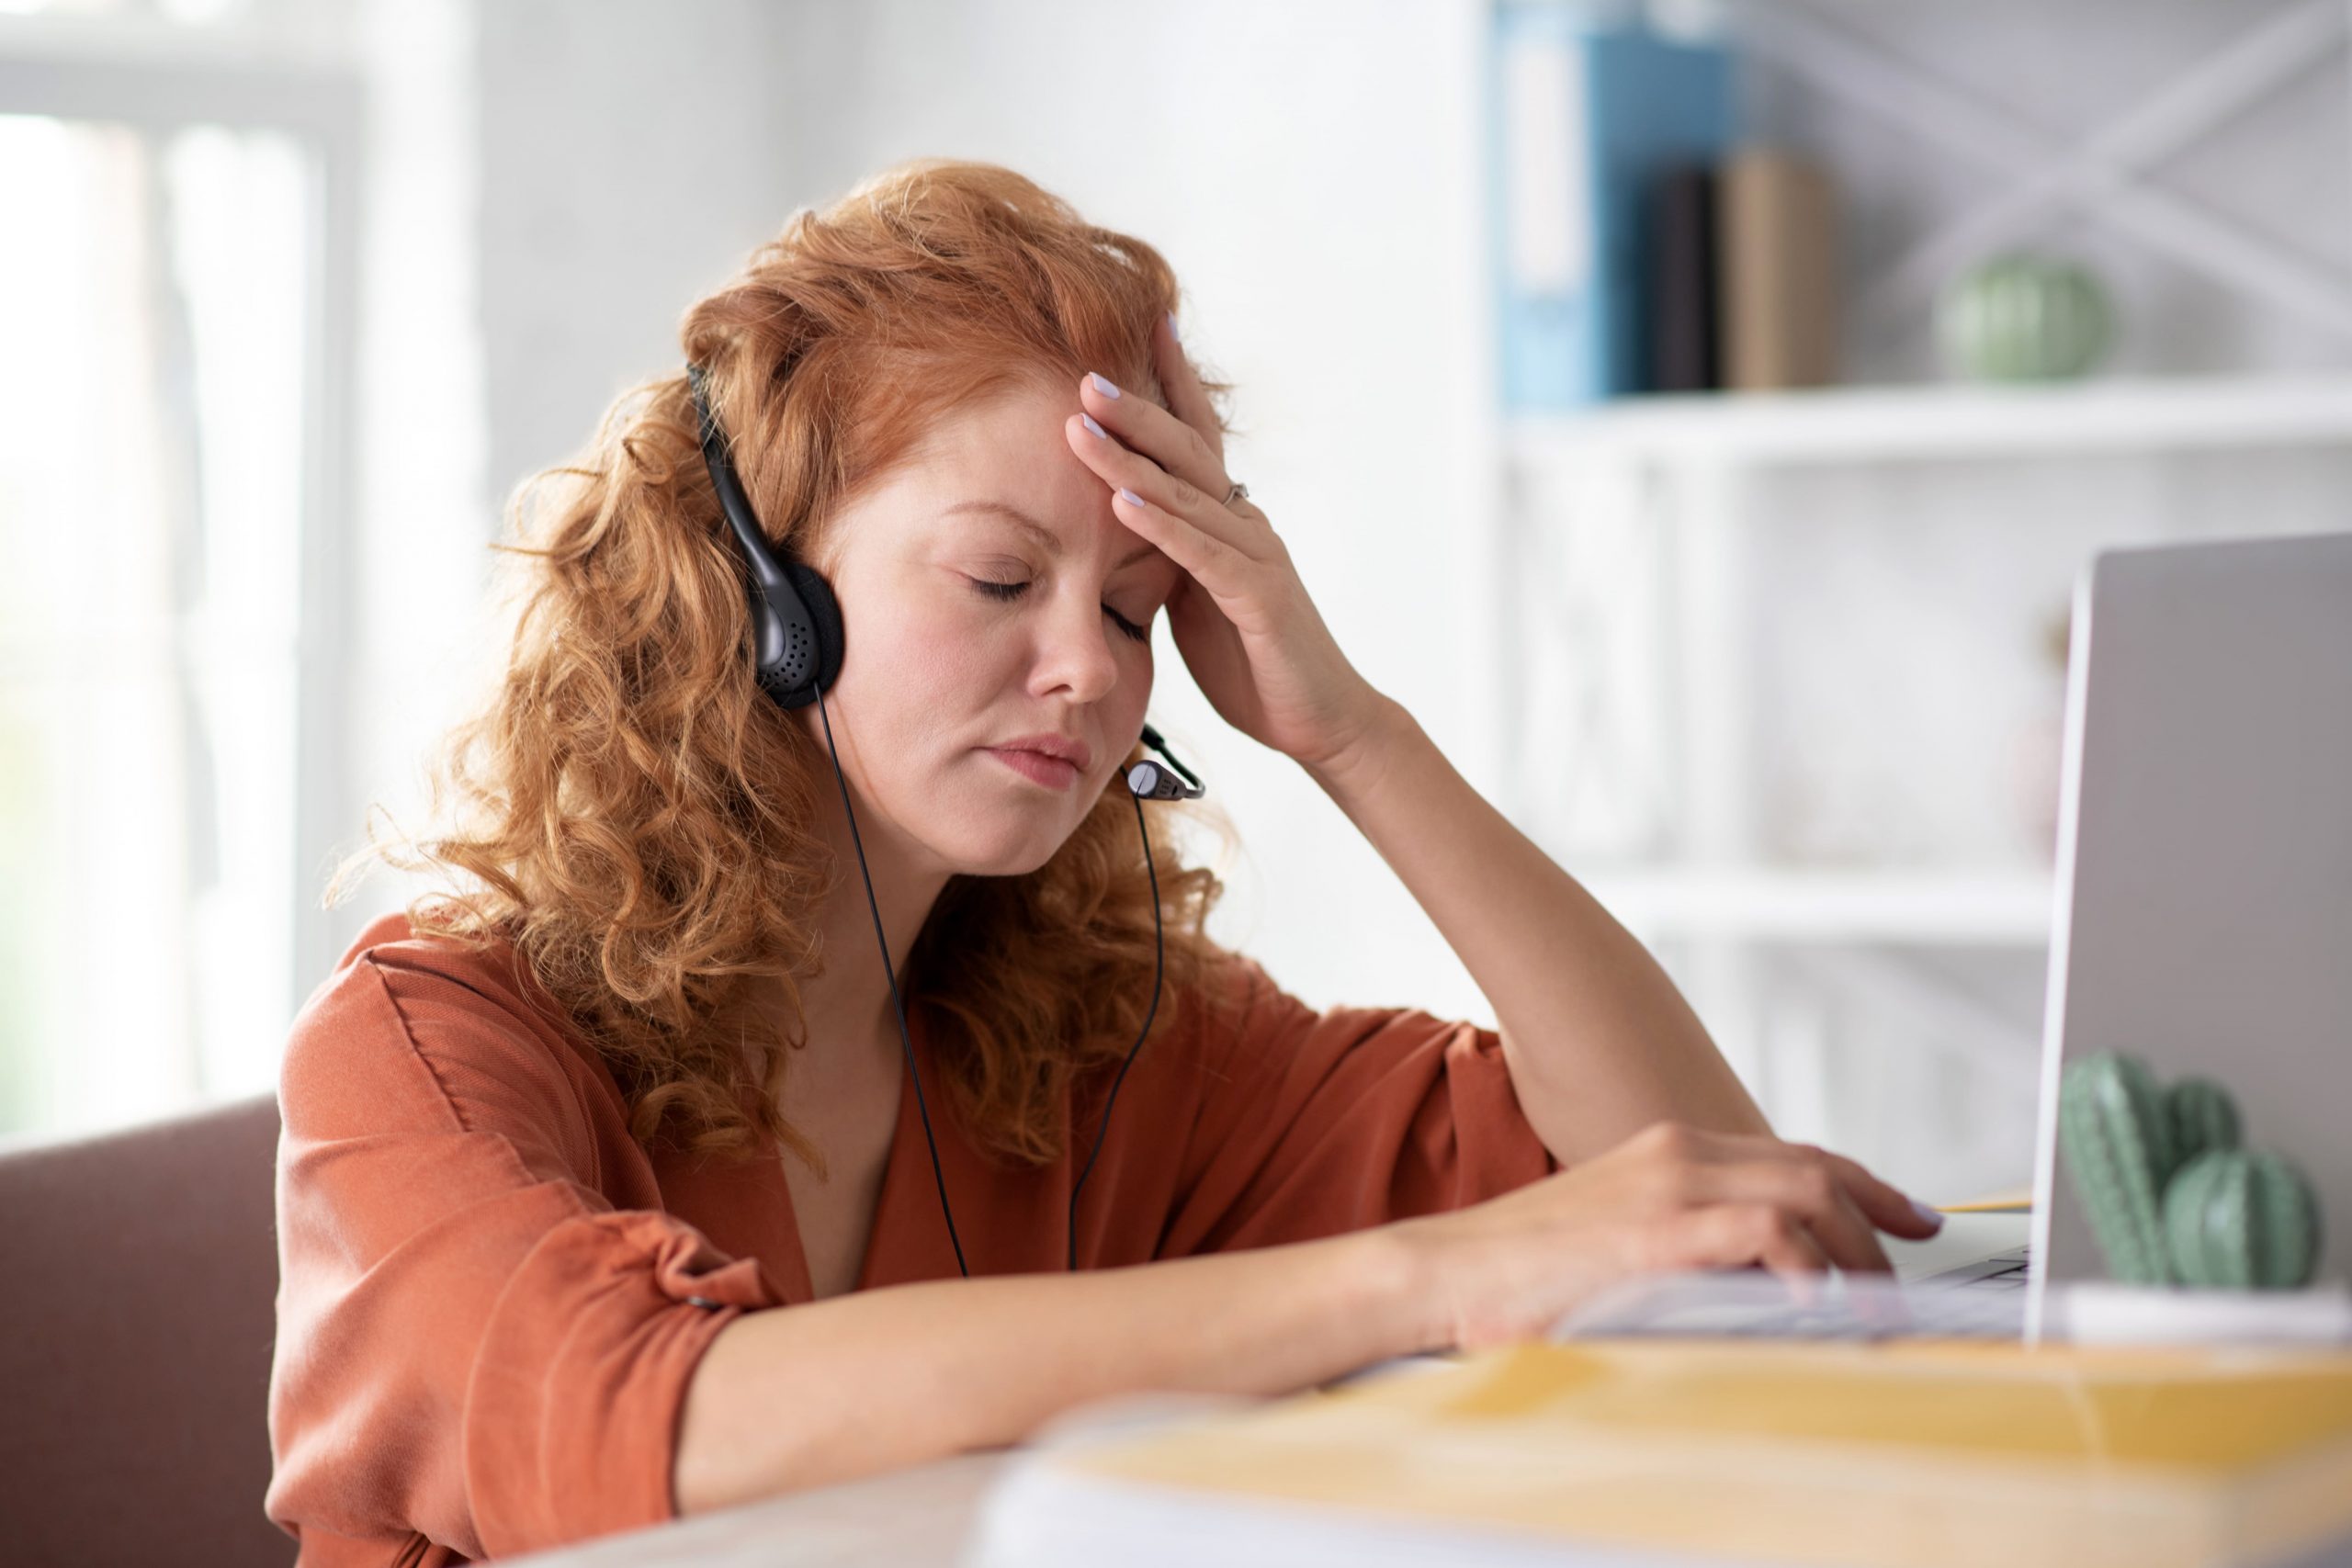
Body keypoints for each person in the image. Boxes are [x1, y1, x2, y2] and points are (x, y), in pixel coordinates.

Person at [264, 158, 1941, 1566]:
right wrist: (1427, 1280)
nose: (1094, 667)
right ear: (763, 594)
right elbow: (649, 1417)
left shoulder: (1085, 1033)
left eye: (1136, 610)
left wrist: (1351, 733)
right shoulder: (425, 1043)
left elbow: (1683, 1174)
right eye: (1001, 582)